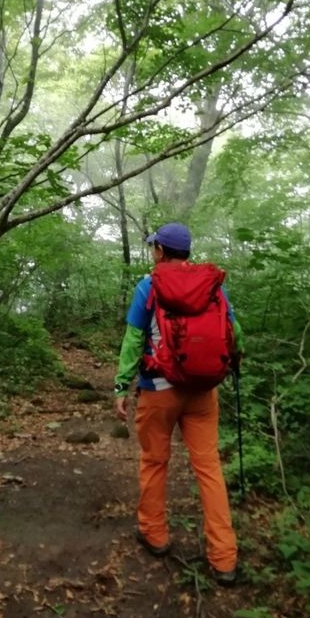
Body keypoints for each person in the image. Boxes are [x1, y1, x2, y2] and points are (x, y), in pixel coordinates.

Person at [114, 222, 243, 585]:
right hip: (203, 391)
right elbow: (235, 334)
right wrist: (234, 365)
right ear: (187, 251)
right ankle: (223, 558)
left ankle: (154, 534)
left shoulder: (148, 286)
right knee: (209, 468)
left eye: (154, 246)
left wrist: (121, 386)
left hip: (158, 390)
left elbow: (133, 339)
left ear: (159, 251)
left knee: (155, 462)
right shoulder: (214, 288)